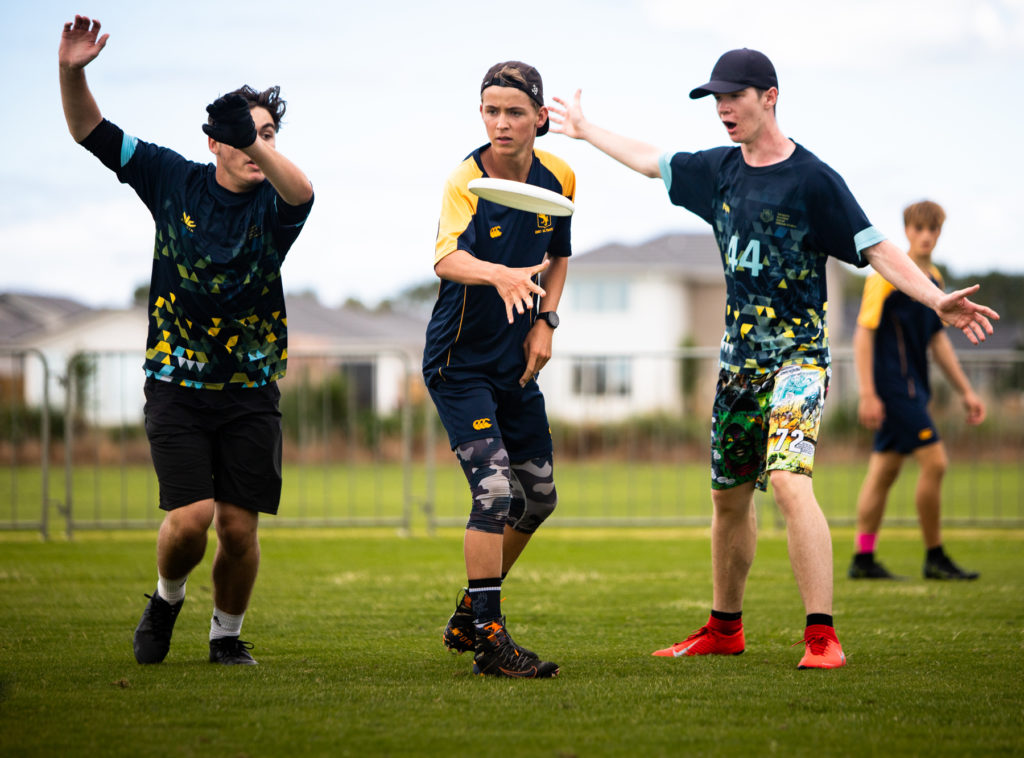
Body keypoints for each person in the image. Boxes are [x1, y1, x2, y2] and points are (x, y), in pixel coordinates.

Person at [549, 48, 997, 669]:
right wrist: (585, 128)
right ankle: (724, 628)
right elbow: (653, 162)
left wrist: (933, 299)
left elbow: (876, 248)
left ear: (770, 97)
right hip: (738, 366)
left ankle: (821, 635)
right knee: (729, 498)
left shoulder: (814, 180)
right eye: (716, 100)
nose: (723, 109)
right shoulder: (718, 171)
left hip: (799, 361)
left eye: (734, 97)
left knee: (788, 480)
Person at [59, 15, 314, 665]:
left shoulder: (277, 200)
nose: (261, 147)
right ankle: (166, 598)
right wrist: (72, 72)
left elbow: (303, 190)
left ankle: (225, 638)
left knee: (238, 527)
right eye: (247, 136)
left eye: (269, 135)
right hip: (177, 385)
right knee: (192, 518)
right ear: (213, 143)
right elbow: (91, 132)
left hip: (251, 390)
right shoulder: (173, 179)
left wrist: (259, 146)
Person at [424, 61, 574, 678]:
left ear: (540, 116)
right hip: (459, 363)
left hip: (515, 365)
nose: (502, 123)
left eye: (515, 111)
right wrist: (501, 274)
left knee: (537, 499)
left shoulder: (560, 175)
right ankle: (489, 636)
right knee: (493, 493)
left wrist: (547, 320)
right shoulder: (467, 178)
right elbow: (445, 259)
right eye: (491, 110)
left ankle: (469, 608)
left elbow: (559, 256)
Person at [849, 201, 983, 581]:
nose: (925, 235)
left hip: (914, 390)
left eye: (933, 229)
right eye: (918, 228)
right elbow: (863, 333)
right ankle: (934, 556)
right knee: (936, 463)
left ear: (939, 233)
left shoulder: (936, 282)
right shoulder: (886, 276)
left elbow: (938, 342)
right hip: (894, 391)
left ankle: (863, 559)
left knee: (883, 471)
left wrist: (966, 392)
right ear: (906, 230)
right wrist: (867, 393)